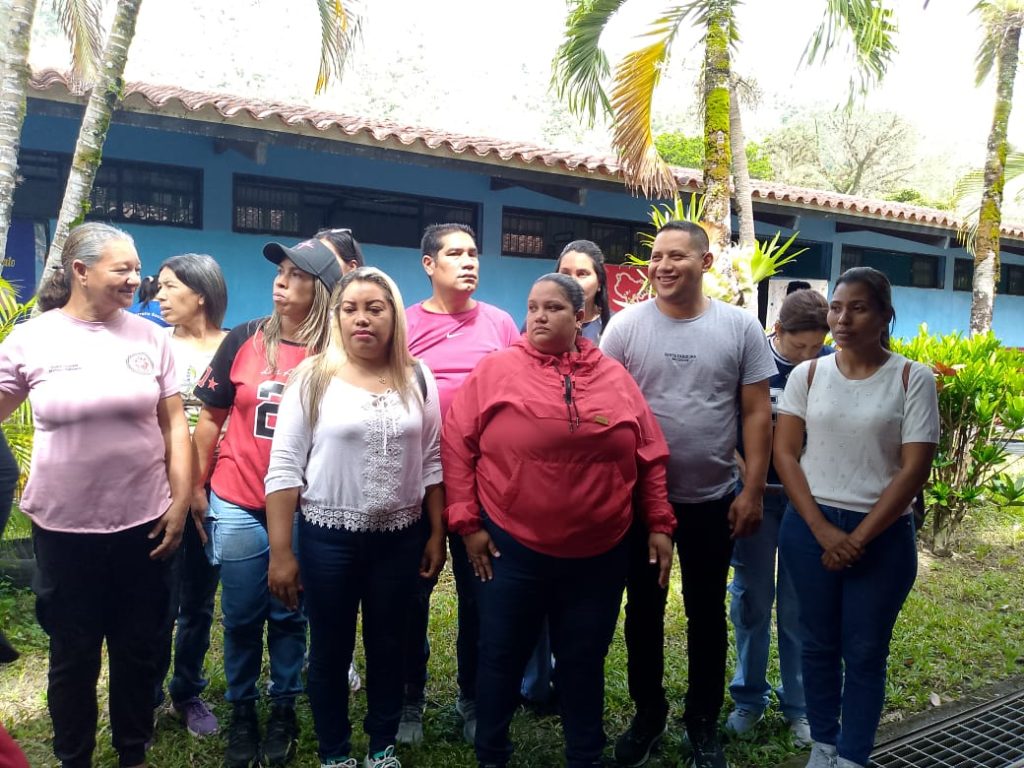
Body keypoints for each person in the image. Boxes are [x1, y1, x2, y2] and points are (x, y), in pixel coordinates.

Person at [443, 273, 676, 768]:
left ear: (581, 317)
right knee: (501, 654)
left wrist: (659, 521)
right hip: (511, 547)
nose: (539, 317)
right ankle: (492, 755)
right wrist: (468, 524)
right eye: (533, 308)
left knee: (584, 659)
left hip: (599, 552)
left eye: (553, 308)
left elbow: (650, 453)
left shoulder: (614, 377)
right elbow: (457, 445)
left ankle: (585, 756)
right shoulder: (496, 370)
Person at [0, 222, 191, 768]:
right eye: (122, 269)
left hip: (144, 523)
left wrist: (180, 501)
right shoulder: (33, 339)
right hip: (64, 529)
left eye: (138, 269)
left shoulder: (151, 338)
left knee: (139, 649)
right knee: (73, 654)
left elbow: (174, 425)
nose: (135, 279)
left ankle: (133, 753)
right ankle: (74, 757)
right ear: (80, 271)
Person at [601, 220, 776, 768]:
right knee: (643, 611)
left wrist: (752, 490)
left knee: (706, 611)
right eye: (656, 256)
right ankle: (647, 715)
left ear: (705, 263)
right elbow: (608, 412)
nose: (663, 266)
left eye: (676, 256)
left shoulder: (739, 327)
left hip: (712, 498)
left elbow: (756, 412)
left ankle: (702, 721)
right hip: (639, 503)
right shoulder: (625, 328)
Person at [266, 267, 446, 768]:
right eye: (350, 309)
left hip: (401, 537)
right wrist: (281, 553)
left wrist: (436, 532)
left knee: (390, 644)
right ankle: (335, 751)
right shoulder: (313, 377)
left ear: (394, 316)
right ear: (337, 317)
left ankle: (381, 746)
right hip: (328, 538)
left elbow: (432, 459)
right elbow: (284, 468)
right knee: (330, 649)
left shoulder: (417, 376)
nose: (362, 319)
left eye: (375, 308)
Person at [775, 267, 939, 768]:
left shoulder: (912, 378)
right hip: (809, 527)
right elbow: (785, 454)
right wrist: (823, 531)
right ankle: (824, 744)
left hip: (882, 534)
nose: (842, 319)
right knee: (817, 643)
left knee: (865, 651)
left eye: (858, 308)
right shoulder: (808, 374)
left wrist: (857, 538)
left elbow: (914, 469)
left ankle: (852, 756)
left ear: (885, 315)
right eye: (836, 308)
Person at [191, 237, 339, 768]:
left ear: (321, 290)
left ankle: (283, 709)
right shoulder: (244, 338)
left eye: (298, 275)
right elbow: (210, 419)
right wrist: (196, 486)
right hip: (237, 496)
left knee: (290, 612)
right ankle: (242, 712)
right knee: (240, 614)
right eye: (280, 271)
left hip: (303, 504)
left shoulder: (337, 352)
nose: (282, 281)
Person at [398, 223, 519, 745]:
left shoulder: (500, 324)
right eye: (455, 253)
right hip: (415, 484)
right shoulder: (403, 325)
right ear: (429, 264)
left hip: (483, 486)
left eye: (473, 253)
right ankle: (408, 699)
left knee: (480, 597)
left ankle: (474, 697)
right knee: (411, 597)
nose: (469, 262)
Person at [725, 289, 833, 746]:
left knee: (798, 604)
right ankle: (748, 698)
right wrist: (743, 475)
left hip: (804, 501)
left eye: (816, 346)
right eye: (799, 345)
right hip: (754, 497)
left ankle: (799, 706)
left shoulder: (829, 365)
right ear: (778, 331)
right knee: (751, 599)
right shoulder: (754, 364)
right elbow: (727, 422)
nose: (808, 355)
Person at [519, 239, 613, 711]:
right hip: (537, 499)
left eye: (582, 273)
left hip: (592, 499)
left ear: (598, 282)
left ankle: (571, 682)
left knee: (580, 608)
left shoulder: (613, 336)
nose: (573, 279)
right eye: (565, 270)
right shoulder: (533, 333)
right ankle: (535, 683)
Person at [152, 253, 229, 737]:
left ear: (200, 293)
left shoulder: (234, 346)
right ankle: (146, 695)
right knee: (157, 599)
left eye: (170, 286)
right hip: (158, 489)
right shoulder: (155, 345)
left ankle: (186, 692)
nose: (158, 296)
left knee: (199, 600)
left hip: (220, 491)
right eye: (158, 286)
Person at [555, 239, 611, 343]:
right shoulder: (540, 321)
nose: (572, 281)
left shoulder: (616, 325)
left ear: (599, 282)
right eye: (565, 274)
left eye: (582, 274)